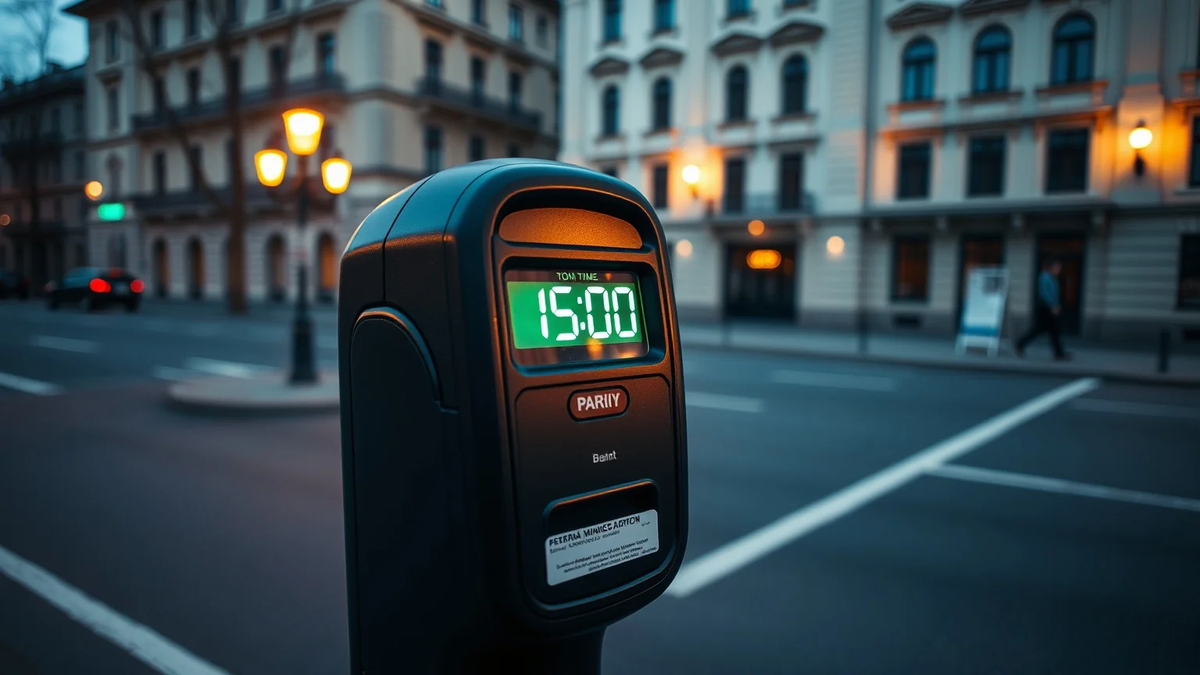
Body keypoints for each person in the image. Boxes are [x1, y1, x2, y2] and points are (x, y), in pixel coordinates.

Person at [1015, 259, 1069, 360]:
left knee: (1046, 330)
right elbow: (1045, 294)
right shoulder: (1045, 277)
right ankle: (1058, 353)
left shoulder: (1052, 278)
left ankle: (1021, 343)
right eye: (1057, 268)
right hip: (1046, 308)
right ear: (1051, 267)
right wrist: (1053, 306)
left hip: (1050, 307)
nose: (1059, 270)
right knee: (1050, 330)